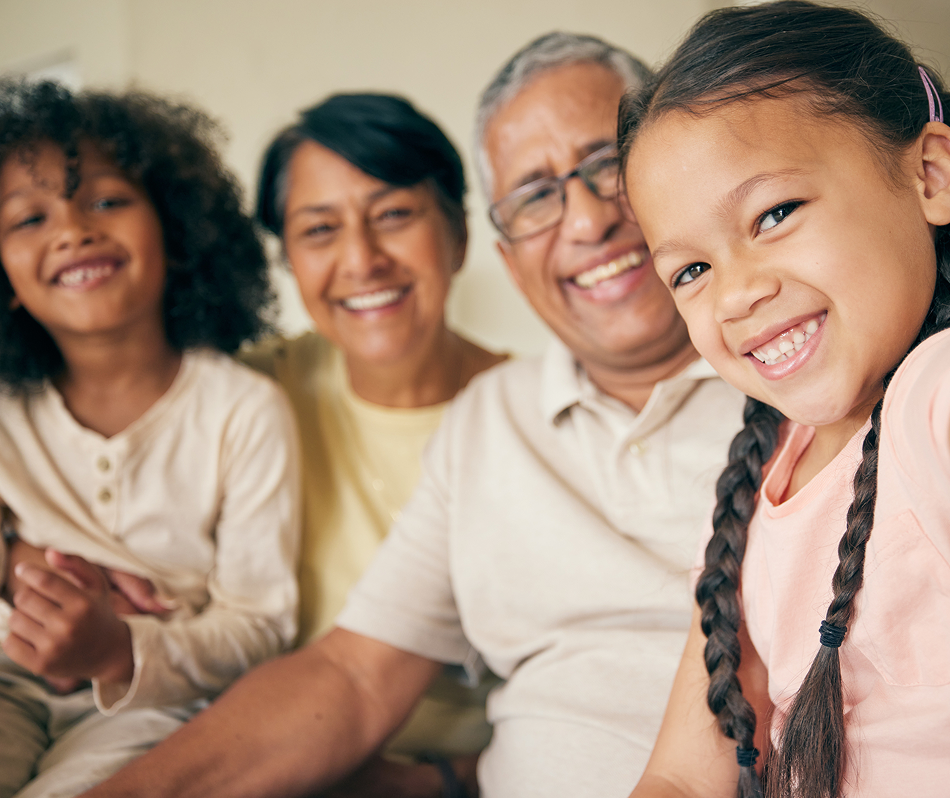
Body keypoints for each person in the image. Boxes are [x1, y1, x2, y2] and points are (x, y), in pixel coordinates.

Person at [88, 32, 745, 798]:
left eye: (608, 166)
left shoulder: (799, 368)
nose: (586, 219)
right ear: (505, 253)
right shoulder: (486, 420)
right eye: (535, 195)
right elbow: (353, 674)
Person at [619, 1, 950, 796]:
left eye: (774, 214)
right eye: (690, 271)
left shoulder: (936, 397)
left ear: (930, 175)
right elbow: (683, 776)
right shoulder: (760, 478)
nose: (736, 294)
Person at [0, 80, 300, 796]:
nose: (72, 229)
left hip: (158, 701)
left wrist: (117, 651)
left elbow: (260, 625)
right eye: (28, 219)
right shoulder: (7, 407)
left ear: (176, 226)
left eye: (106, 200)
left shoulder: (244, 411)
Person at [244, 93, 505, 795]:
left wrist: (440, 782)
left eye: (393, 215)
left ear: (457, 233)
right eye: (319, 230)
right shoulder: (249, 397)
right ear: (289, 260)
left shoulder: (536, 413)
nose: (361, 259)